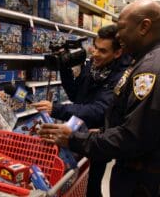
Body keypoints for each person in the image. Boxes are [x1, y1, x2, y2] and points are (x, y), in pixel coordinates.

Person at [38, 0, 160, 197]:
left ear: (144, 26)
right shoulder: (146, 62)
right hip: (138, 175)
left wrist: (74, 139)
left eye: (122, 28)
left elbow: (132, 138)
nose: (118, 35)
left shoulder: (153, 71)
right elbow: (136, 121)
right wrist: (103, 130)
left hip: (145, 181)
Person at [32, 25, 131, 196]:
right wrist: (64, 65)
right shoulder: (93, 65)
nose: (95, 54)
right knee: (73, 180)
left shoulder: (122, 76)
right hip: (76, 128)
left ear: (117, 53)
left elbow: (99, 110)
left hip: (98, 137)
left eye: (102, 51)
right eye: (95, 47)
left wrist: (56, 109)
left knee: (91, 185)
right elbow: (75, 94)